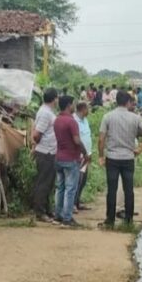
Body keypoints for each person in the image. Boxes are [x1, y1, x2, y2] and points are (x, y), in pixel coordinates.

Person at [98, 91, 142, 228]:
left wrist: (101, 156)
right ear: (128, 102)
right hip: (128, 157)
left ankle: (110, 219)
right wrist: (139, 149)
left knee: (112, 189)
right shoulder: (135, 118)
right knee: (129, 190)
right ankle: (128, 220)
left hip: (112, 157)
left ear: (116, 101)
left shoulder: (107, 116)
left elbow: (101, 139)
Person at [53, 95, 85, 228]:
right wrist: (85, 152)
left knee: (60, 187)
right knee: (70, 189)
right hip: (71, 158)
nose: (74, 106)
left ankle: (58, 215)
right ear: (68, 105)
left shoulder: (57, 120)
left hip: (59, 157)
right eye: (73, 104)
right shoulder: (71, 121)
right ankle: (67, 218)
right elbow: (77, 140)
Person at [31, 88, 59, 223]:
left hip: (49, 152)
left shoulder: (47, 112)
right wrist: (38, 145)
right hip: (45, 152)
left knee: (49, 183)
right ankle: (40, 211)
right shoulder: (45, 113)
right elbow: (37, 134)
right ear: (54, 99)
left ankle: (47, 209)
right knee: (43, 183)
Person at [73, 102, 93, 213]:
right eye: (87, 108)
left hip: (86, 155)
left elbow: (86, 137)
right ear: (83, 109)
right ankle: (72, 204)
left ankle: (77, 201)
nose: (89, 110)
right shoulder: (74, 120)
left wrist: (89, 153)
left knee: (83, 180)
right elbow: (77, 140)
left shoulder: (85, 120)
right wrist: (84, 153)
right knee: (77, 180)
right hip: (79, 156)